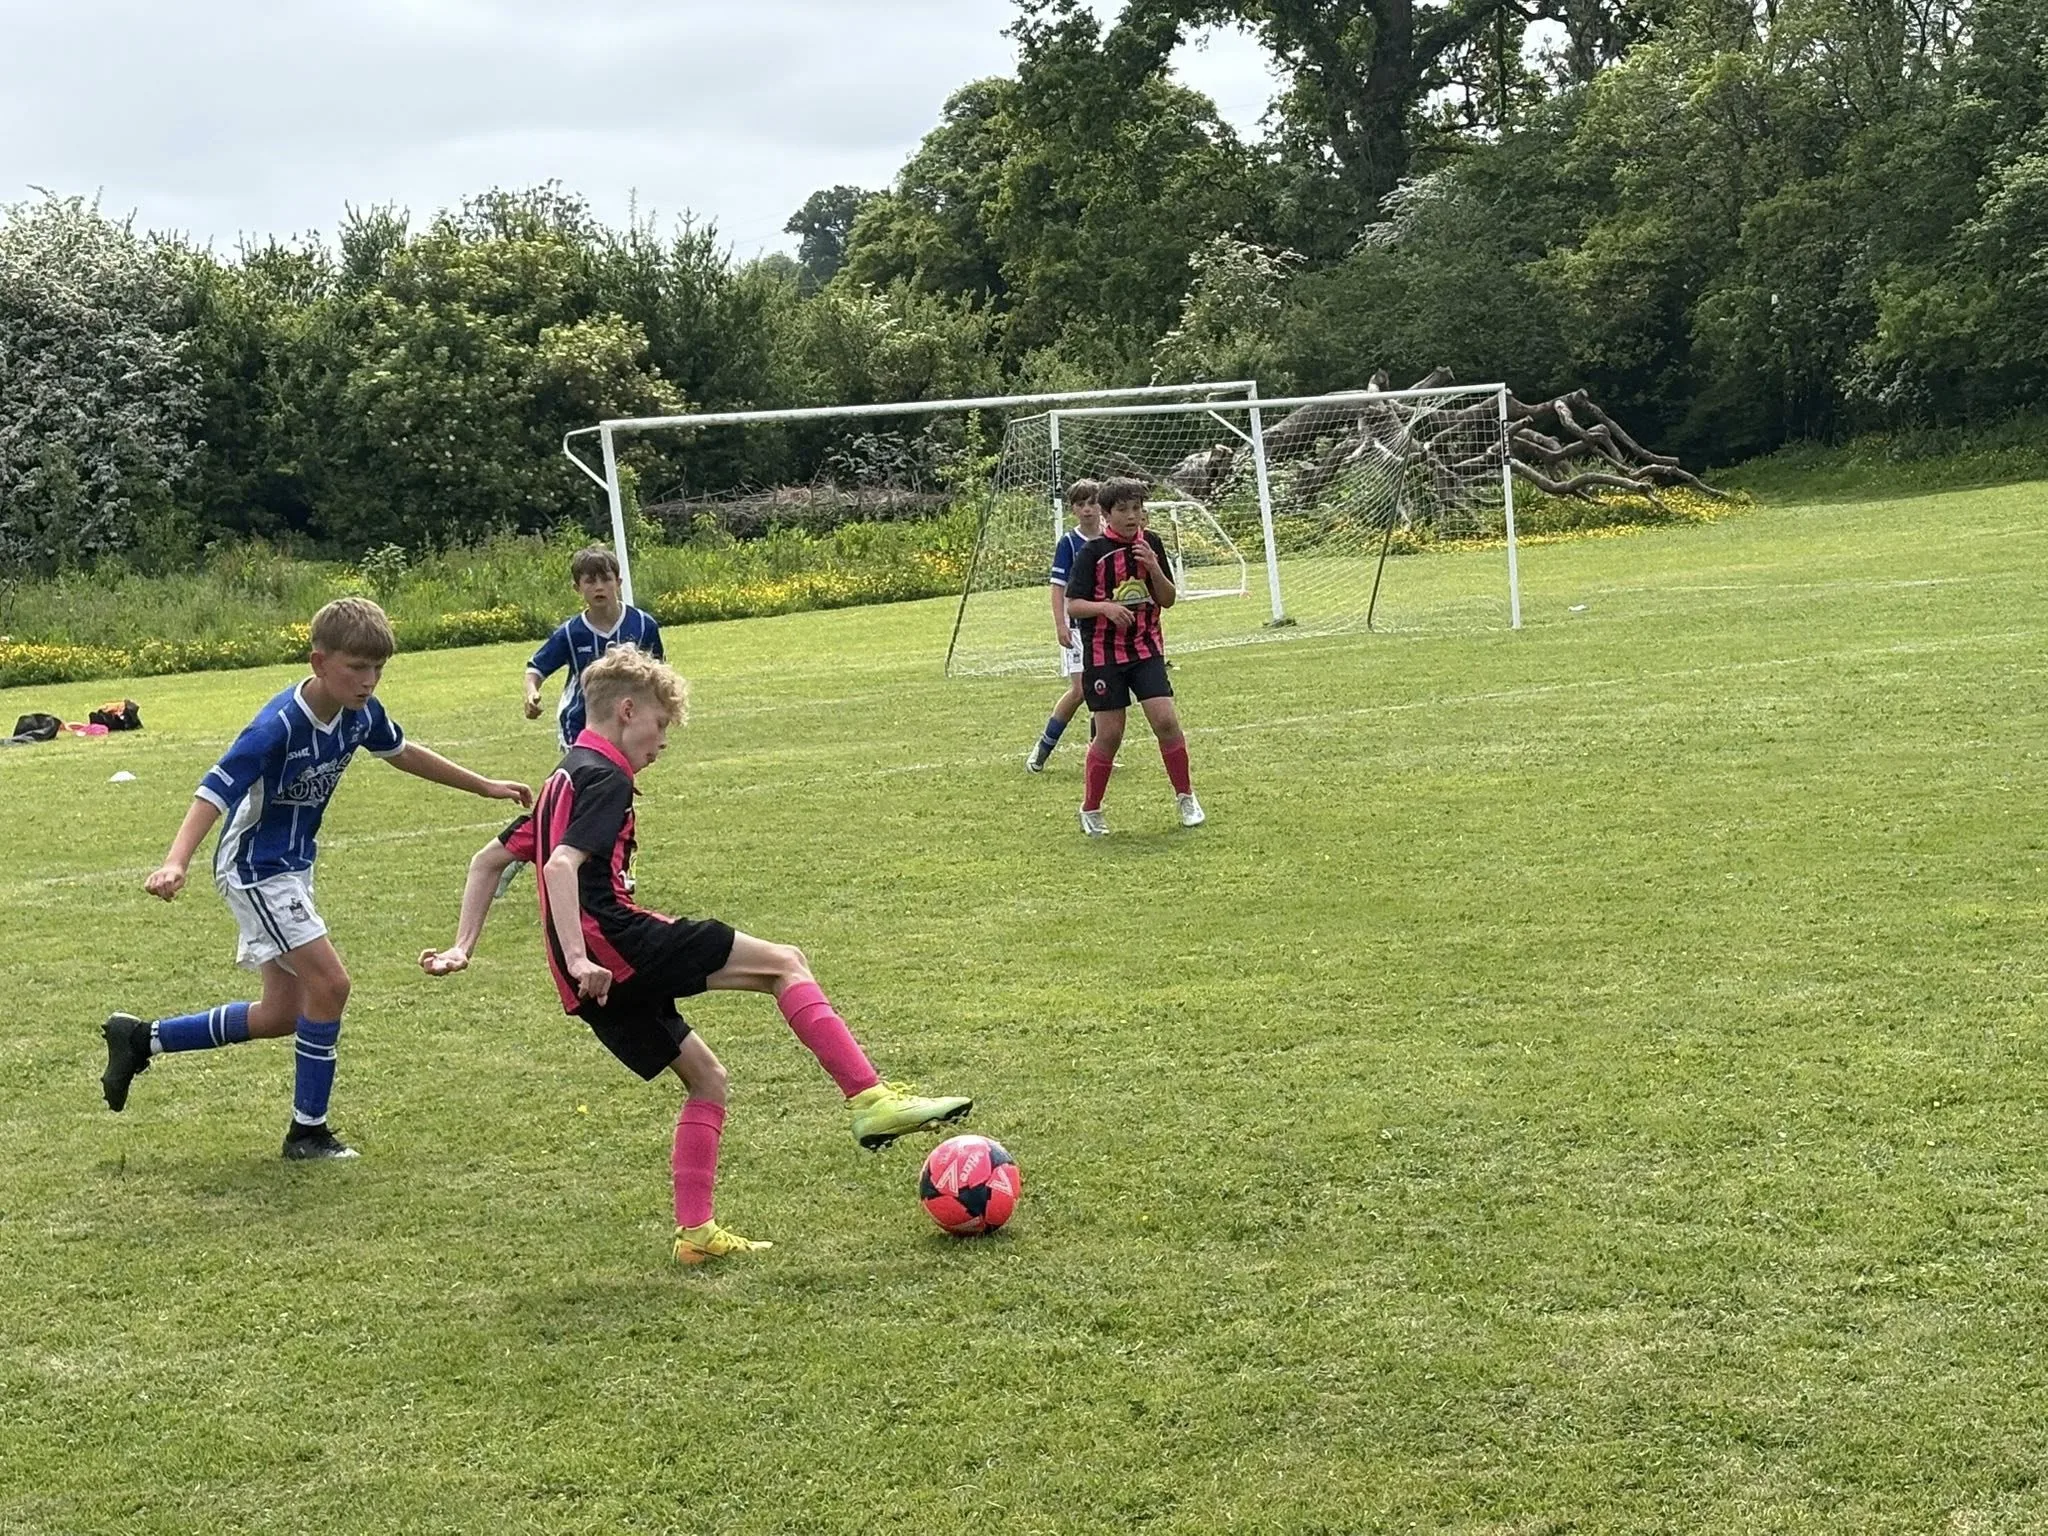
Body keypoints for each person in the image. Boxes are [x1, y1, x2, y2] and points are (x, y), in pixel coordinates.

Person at [506, 643, 972, 1264]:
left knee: (707, 1081)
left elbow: (489, 861)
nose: (662, 741)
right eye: (660, 725)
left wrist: (461, 947)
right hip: (615, 948)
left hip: (590, 978)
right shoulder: (607, 777)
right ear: (626, 711)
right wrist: (580, 956)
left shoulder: (562, 775)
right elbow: (561, 867)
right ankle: (870, 1099)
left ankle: (695, 1236)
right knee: (785, 963)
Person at [100, 597, 533, 1159]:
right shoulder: (276, 725)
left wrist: (484, 786)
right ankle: (307, 1133)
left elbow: (402, 752)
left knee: (283, 1014)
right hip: (255, 868)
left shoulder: (360, 713)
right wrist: (175, 860)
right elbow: (215, 789)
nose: (369, 681)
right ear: (319, 662)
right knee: (332, 985)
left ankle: (142, 1038)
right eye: (357, 668)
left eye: (378, 668)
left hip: (294, 867)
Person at [1062, 476, 1205, 836]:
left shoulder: (1151, 543)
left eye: (1137, 509)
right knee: (1110, 734)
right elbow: (1074, 605)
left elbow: (1168, 599)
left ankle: (1186, 797)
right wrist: (1106, 608)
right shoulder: (1092, 553)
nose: (1131, 516)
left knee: (1166, 721)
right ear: (1106, 514)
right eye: (1123, 509)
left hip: (1146, 648)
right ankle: (1091, 808)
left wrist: (1154, 567)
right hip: (1104, 654)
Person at [525, 545, 665, 750]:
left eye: (606, 579)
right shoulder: (571, 633)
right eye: (590, 581)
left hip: (627, 722)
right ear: (577, 587)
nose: (599, 587)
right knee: (592, 769)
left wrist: (659, 718)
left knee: (619, 769)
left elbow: (659, 675)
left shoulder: (643, 625)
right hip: (580, 725)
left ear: (618, 582)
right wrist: (531, 693)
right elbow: (536, 669)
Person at [1026, 479, 1103, 772]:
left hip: (1104, 625)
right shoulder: (1069, 543)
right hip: (1078, 627)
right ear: (1073, 510)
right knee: (1080, 690)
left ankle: (1098, 755)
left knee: (1103, 688)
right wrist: (1061, 624)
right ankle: (1042, 749)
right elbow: (1058, 587)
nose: (1087, 509)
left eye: (1092, 503)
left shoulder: (1110, 537)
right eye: (1081, 505)